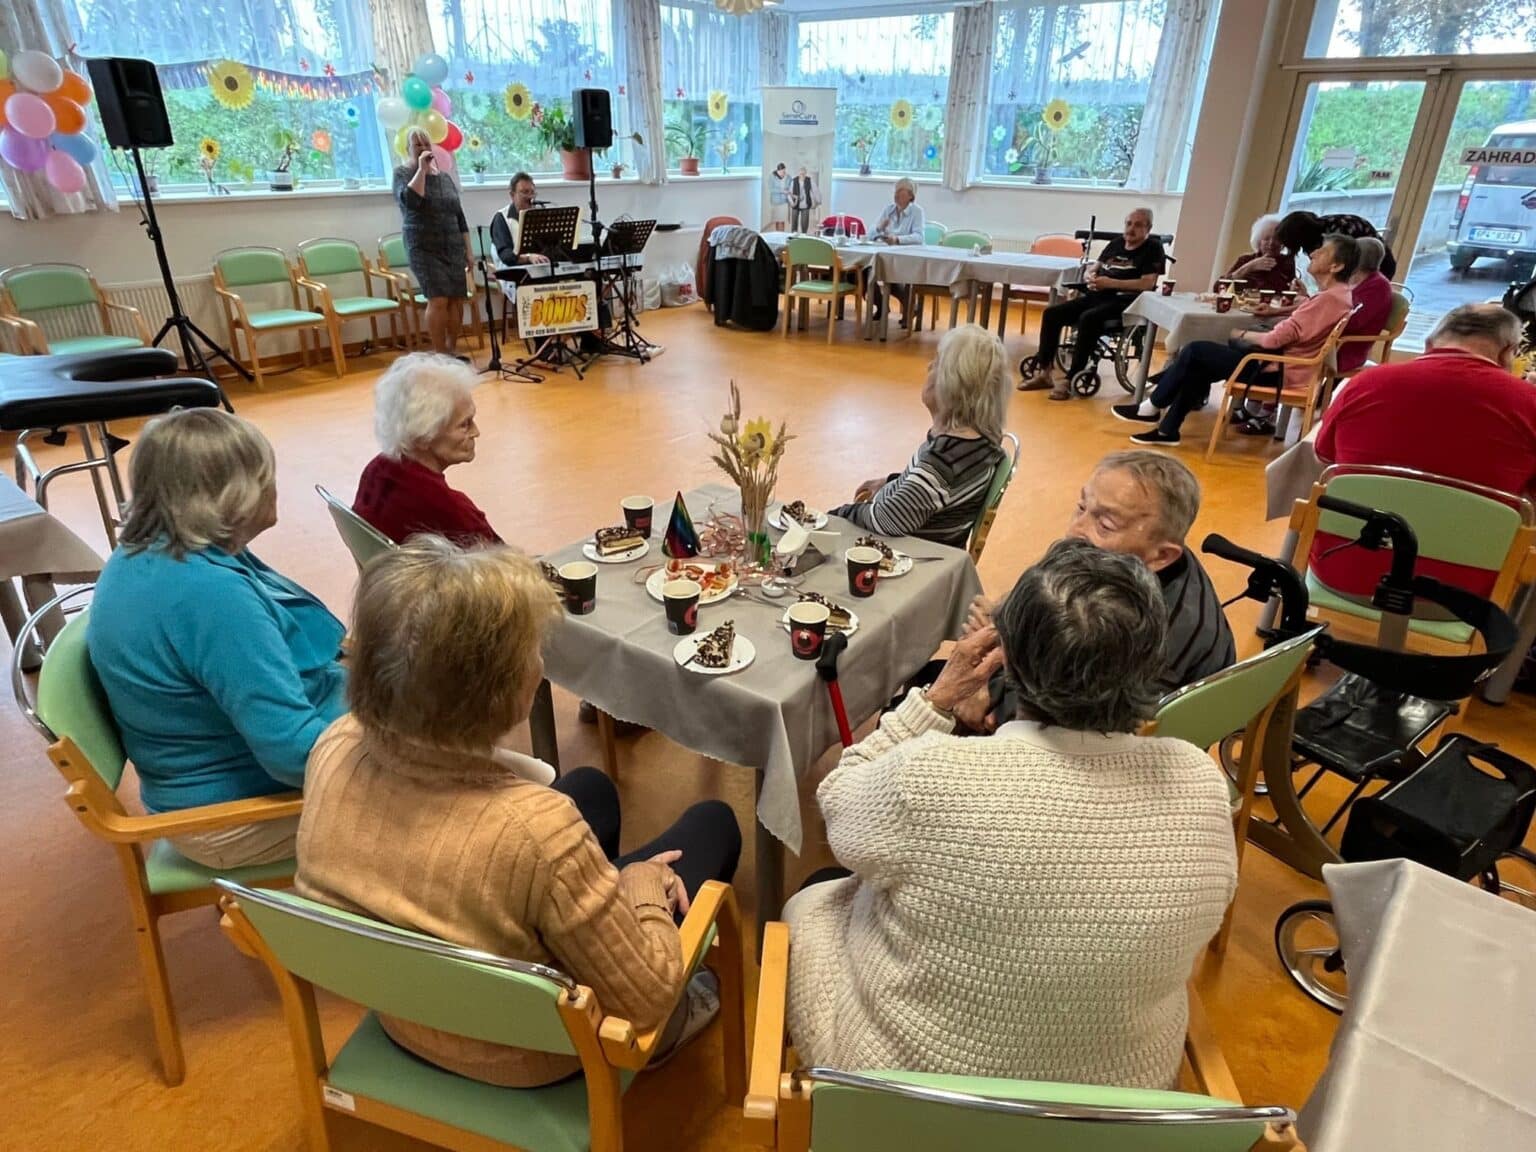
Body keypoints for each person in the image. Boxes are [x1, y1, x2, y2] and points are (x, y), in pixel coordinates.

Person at [784, 538, 1237, 1087]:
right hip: (1114, 1105)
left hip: (910, 1097)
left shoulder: (931, 777)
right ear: (1150, 664)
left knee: (813, 901)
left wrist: (934, 701)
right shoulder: (1200, 783)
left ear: (1009, 657)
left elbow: (839, 803)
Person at [295, 538, 742, 1087]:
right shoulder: (539, 831)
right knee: (713, 824)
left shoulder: (336, 744)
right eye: (531, 651)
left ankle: (578, 918)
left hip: (405, 1013)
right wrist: (642, 889)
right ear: (497, 692)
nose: (539, 662)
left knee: (591, 788)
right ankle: (669, 1011)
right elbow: (647, 1002)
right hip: (530, 1055)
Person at [87, 409, 347, 869]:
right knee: (464, 801)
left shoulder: (159, 550)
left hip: (212, 780)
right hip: (231, 816)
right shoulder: (209, 595)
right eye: (266, 475)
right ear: (235, 495)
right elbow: (292, 755)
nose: (274, 486)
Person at [933, 450, 1234, 733]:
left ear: (1162, 555)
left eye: (1105, 524)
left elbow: (1080, 729)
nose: (1075, 530)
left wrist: (989, 681)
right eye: (1081, 507)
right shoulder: (1135, 569)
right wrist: (1006, 630)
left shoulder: (1152, 635)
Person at [1112, 233, 1358, 445]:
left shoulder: (1329, 300)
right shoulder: (1336, 296)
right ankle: (1166, 429)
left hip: (1277, 370)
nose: (1313, 253)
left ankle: (1152, 406)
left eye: (1322, 252)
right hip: (1277, 364)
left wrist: (1239, 334)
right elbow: (1299, 325)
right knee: (1197, 363)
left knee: (1196, 350)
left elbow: (1273, 340)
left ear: (1336, 266)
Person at [1317, 302, 1536, 499]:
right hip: (1476, 532)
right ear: (1508, 352)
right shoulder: (1528, 400)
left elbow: (1324, 453)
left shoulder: (1365, 382)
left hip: (1355, 528)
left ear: (1429, 343)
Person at [830, 324, 1008, 547]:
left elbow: (889, 520)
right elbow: (927, 491)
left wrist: (840, 514)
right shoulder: (977, 445)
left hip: (910, 555)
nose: (928, 366)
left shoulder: (944, 460)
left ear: (952, 383)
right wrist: (891, 482)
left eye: (937, 362)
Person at [352, 352, 501, 546]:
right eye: (465, 424)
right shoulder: (449, 510)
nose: (476, 432)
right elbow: (507, 562)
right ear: (423, 435)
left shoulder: (377, 470)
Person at [1020, 208, 1167, 400]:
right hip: (1098, 295)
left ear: (1149, 228)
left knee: (1088, 318)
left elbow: (1147, 283)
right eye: (1128, 223)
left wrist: (1111, 283)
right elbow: (1094, 267)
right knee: (1052, 313)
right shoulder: (1116, 243)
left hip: (1126, 302)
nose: (1131, 229)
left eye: (1138, 225)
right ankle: (1044, 372)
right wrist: (1090, 276)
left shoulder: (1153, 248)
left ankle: (1071, 377)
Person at [394, 127, 472, 358]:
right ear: (408, 149)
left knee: (456, 299)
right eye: (417, 145)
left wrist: (468, 250)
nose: (423, 148)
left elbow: (459, 216)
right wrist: (421, 169)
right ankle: (440, 354)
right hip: (423, 247)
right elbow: (411, 201)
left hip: (452, 245)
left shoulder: (445, 178)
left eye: (426, 144)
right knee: (438, 299)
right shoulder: (402, 174)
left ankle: (451, 351)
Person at [866, 177, 927, 326]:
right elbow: (870, 234)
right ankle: (881, 306)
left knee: (889, 274)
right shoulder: (889, 209)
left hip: (907, 257)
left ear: (911, 195)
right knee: (866, 272)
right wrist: (879, 228)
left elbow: (919, 237)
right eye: (895, 191)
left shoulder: (917, 211)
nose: (896, 194)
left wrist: (897, 239)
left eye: (900, 191)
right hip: (887, 256)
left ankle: (910, 307)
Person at [1276, 209, 1396, 280]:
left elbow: (1337, 274)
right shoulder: (1316, 232)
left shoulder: (1338, 233)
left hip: (1377, 265)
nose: (1313, 255)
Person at [489, 172, 552, 295]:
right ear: (512, 195)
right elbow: (506, 256)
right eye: (524, 192)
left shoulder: (538, 215)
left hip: (539, 270)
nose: (530, 197)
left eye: (532, 192)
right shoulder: (501, 218)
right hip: (514, 273)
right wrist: (528, 258)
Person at [1215, 213, 1295, 295]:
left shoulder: (1287, 263)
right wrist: (1248, 267)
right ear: (1259, 241)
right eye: (1266, 239)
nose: (1271, 243)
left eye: (1277, 238)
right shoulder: (1245, 260)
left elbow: (1290, 293)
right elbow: (1217, 287)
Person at [789, 166, 816, 234]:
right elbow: (790, 193)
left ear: (806, 173)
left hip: (805, 205)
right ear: (798, 173)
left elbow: (813, 192)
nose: (802, 175)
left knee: (805, 224)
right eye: (801, 174)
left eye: (803, 174)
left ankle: (804, 236)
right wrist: (792, 203)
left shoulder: (809, 180)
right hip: (795, 204)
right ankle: (793, 236)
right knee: (794, 223)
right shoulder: (794, 181)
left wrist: (814, 203)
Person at [769, 162, 790, 231]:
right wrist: (782, 191)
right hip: (775, 202)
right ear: (778, 171)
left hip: (784, 202)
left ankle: (782, 233)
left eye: (784, 171)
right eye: (782, 172)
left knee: (782, 220)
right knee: (777, 220)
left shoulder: (788, 177)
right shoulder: (772, 177)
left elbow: (790, 186)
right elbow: (771, 189)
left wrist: (788, 191)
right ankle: (777, 233)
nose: (783, 173)